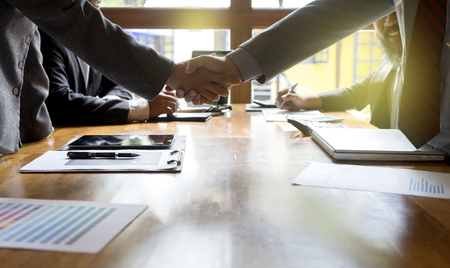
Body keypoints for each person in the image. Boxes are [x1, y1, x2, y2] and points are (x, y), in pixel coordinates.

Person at [185, 0, 450, 154]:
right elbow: (336, 11)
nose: (391, 22)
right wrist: (236, 66)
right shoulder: (393, 62)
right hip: (417, 159)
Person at [0, 0, 238, 155]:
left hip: (24, 143)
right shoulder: (60, 34)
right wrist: (173, 75)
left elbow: (115, 82)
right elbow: (78, 20)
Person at [38, 0, 178, 125]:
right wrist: (140, 108)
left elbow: (119, 84)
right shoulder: (48, 38)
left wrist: (111, 106)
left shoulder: (94, 40)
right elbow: (59, 104)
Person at [275, 12, 402, 129]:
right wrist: (303, 101)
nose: (389, 21)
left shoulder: (419, 67)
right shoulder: (389, 62)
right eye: (382, 14)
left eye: (397, 12)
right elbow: (355, 94)